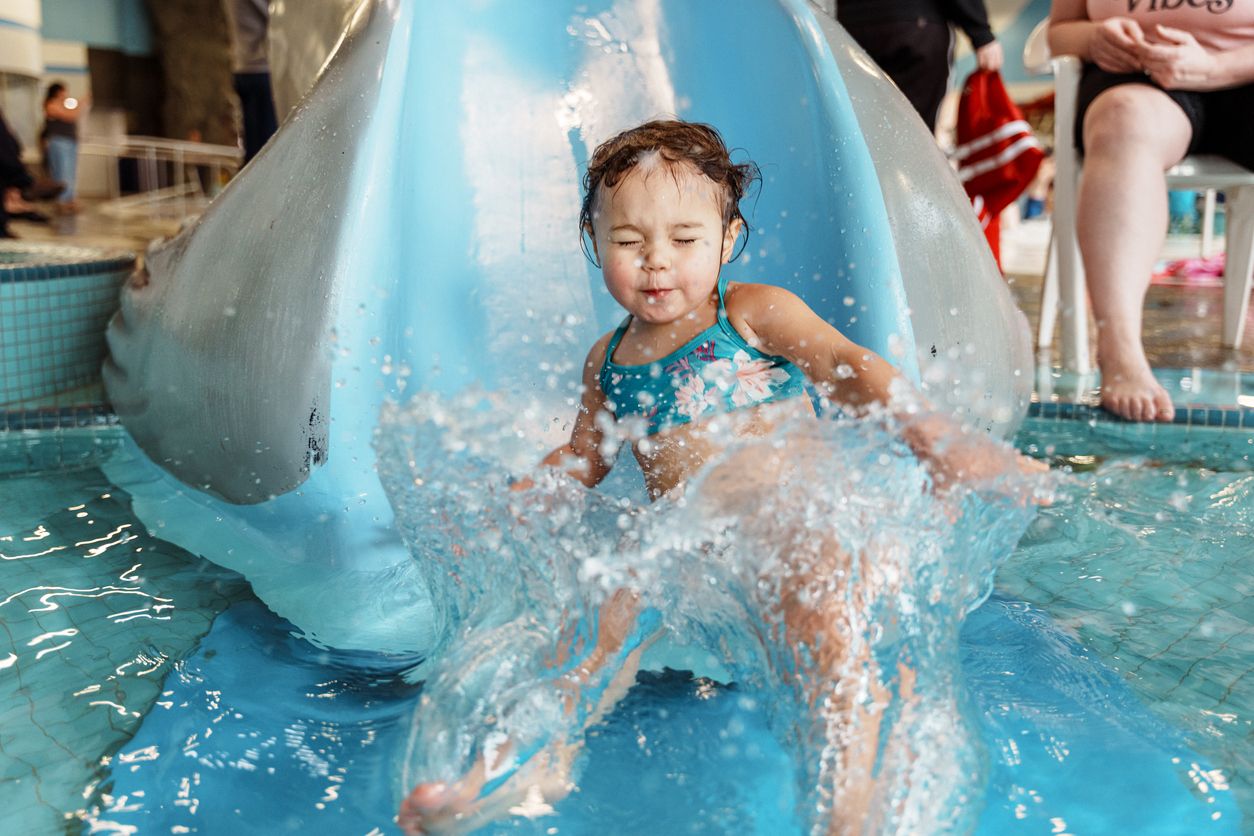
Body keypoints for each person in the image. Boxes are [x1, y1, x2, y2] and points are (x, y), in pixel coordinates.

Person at [397, 120, 1046, 833]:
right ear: (592, 243)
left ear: (727, 240)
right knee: (595, 621)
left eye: (684, 240)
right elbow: (587, 456)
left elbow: (846, 367)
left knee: (824, 624)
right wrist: (527, 493)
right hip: (690, 545)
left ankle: (848, 813)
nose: (656, 263)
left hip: (796, 518)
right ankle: (519, 768)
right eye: (627, 242)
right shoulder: (607, 360)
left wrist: (934, 441)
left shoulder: (748, 314)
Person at [1048, 1, 1254, 422]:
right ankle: (1119, 347)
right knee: (1122, 119)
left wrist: (1217, 67)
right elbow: (1060, 31)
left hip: (1245, 70)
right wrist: (1094, 38)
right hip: (1136, 80)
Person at [838, 0, 1005, 133]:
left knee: (863, 131)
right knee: (917, 132)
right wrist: (981, 32)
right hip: (914, 24)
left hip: (849, 30)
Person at [225, 0, 280, 164]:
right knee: (265, 152)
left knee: (255, 148)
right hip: (260, 68)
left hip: (243, 67)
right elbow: (278, 18)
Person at [43, 82, 85, 215]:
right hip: (59, 142)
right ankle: (62, 200)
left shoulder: (66, 104)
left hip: (70, 141)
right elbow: (70, 116)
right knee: (62, 171)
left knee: (71, 172)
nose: (66, 94)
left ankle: (70, 199)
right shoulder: (51, 104)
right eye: (63, 91)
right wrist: (81, 104)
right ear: (57, 92)